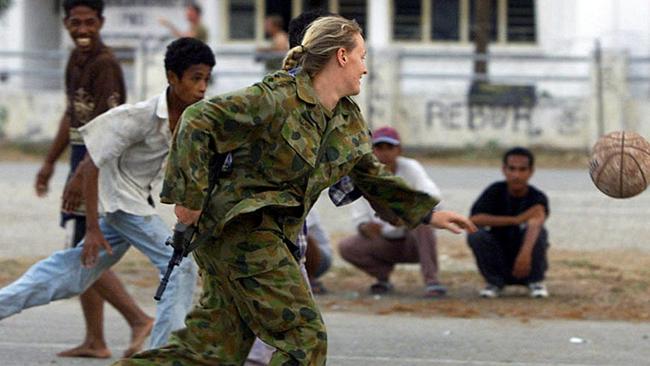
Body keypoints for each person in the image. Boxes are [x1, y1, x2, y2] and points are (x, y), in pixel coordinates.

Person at [115, 16, 476, 366]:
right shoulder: (276, 97)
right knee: (304, 338)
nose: (365, 68)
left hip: (263, 239)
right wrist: (188, 201)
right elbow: (198, 120)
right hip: (242, 231)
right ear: (341, 56)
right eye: (362, 57)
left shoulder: (346, 118)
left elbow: (370, 175)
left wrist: (428, 214)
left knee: (212, 352)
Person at [0, 37, 215, 351]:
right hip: (121, 204)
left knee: (71, 273)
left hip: (136, 201)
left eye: (206, 79)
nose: (202, 87)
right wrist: (91, 228)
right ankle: (162, 356)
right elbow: (92, 160)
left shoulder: (194, 118)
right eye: (195, 78)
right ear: (172, 77)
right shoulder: (138, 115)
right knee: (179, 267)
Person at [31, 0, 153, 358]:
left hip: (99, 163)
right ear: (67, 24)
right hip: (79, 158)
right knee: (80, 242)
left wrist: (80, 177)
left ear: (101, 22)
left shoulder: (106, 65)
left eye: (89, 23)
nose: (82, 30)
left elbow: (110, 133)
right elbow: (72, 114)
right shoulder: (75, 60)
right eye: (75, 23)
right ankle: (95, 341)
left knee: (85, 249)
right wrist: (50, 163)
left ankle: (138, 319)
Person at [339, 126, 447, 298]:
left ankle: (431, 279)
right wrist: (365, 227)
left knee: (422, 221)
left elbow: (433, 196)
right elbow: (359, 217)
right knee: (347, 246)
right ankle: (382, 276)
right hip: (384, 237)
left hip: (409, 234)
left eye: (389, 148)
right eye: (379, 148)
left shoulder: (410, 168)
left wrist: (409, 215)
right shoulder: (364, 174)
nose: (385, 153)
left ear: (399, 150)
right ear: (372, 150)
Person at [467, 147, 550, 298]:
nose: (516, 175)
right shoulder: (494, 191)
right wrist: (516, 220)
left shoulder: (537, 197)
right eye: (512, 169)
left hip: (527, 262)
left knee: (539, 233)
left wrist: (524, 256)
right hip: (499, 258)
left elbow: (536, 223)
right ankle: (494, 282)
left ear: (531, 171)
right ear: (504, 170)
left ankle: (535, 281)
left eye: (522, 169)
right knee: (475, 234)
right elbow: (473, 220)